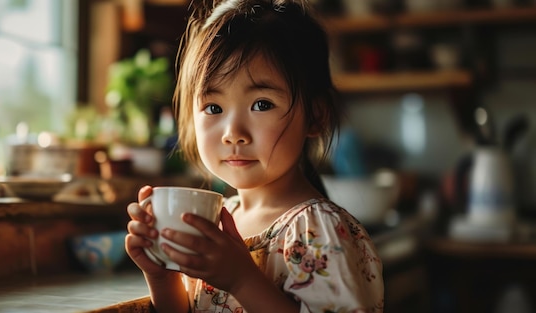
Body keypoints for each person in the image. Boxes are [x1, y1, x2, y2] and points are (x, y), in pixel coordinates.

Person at [125, 0, 384, 312]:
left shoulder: (317, 230)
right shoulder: (217, 223)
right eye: (213, 108)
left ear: (315, 116)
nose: (233, 132)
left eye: (261, 104)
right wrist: (162, 276)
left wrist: (241, 280)